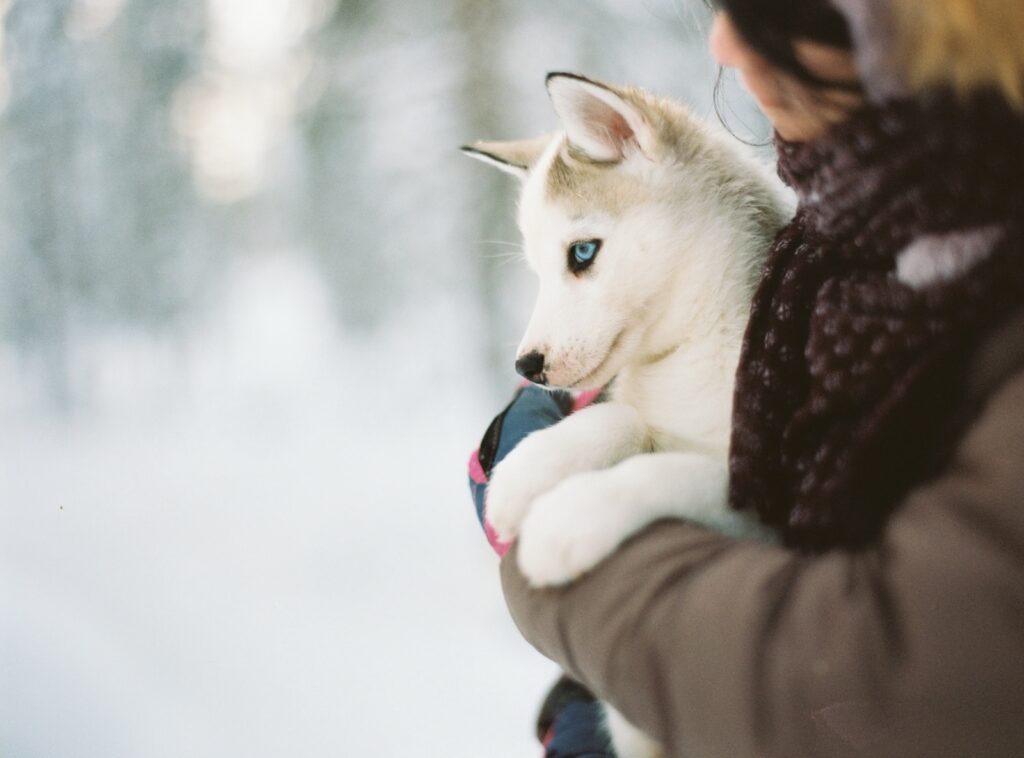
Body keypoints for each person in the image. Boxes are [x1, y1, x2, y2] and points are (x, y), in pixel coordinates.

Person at [469, 0, 1024, 755]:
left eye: (777, 7)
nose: (724, 40)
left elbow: (872, 669)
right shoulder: (831, 255)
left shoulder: (925, 303)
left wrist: (586, 568)